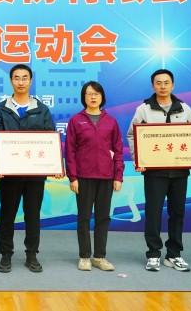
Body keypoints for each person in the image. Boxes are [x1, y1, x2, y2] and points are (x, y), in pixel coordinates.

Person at [126, 69, 191, 272]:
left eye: (166, 82)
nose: (162, 86)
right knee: (153, 213)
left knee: (177, 213)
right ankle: (153, 253)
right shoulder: (143, 109)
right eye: (158, 83)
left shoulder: (185, 108)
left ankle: (174, 254)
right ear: (153, 86)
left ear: (173, 85)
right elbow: (132, 135)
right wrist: (138, 159)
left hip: (179, 171)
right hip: (154, 172)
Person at [0, 64, 60, 274]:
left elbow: (50, 139)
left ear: (30, 81)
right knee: (7, 215)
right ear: (11, 81)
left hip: (35, 174)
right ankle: (6, 255)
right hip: (9, 173)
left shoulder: (41, 109)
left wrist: (54, 163)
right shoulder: (0, 109)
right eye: (17, 78)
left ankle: (31, 255)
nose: (21, 82)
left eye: (25, 78)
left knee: (33, 215)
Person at [65, 81, 124, 272]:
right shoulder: (76, 120)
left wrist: (118, 176)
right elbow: (70, 151)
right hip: (83, 177)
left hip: (106, 176)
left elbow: (118, 150)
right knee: (83, 217)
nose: (93, 97)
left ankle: (99, 256)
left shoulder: (111, 121)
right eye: (89, 93)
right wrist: (73, 177)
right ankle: (84, 256)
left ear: (102, 97)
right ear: (84, 97)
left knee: (103, 217)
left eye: (96, 94)